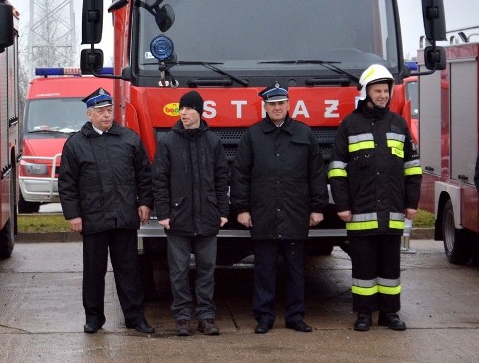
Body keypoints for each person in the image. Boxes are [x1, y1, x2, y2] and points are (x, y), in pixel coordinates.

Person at [328, 64, 421, 331]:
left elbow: (412, 168)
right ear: (366, 92)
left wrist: (411, 203)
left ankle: (390, 314)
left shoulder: (399, 123)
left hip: (392, 211)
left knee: (391, 267)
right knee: (363, 268)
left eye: (385, 90)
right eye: (377, 90)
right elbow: (337, 169)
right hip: (360, 212)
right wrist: (342, 205)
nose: (382, 95)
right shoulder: (350, 124)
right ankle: (364, 314)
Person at [231, 83, 328, 334]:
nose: (277, 108)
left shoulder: (304, 134)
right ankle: (264, 317)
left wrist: (318, 207)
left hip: (295, 213)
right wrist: (241, 208)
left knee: (296, 270)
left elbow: (317, 174)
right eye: (272, 104)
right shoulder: (252, 135)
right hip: (263, 213)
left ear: (288, 105)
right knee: (264, 270)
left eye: (281, 103)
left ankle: (295, 316)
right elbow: (240, 174)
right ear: (265, 106)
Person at [59, 87, 155, 334]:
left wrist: (145, 202)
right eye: (100, 111)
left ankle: (135, 317)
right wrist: (73, 214)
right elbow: (67, 182)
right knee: (93, 272)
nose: (106, 115)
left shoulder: (129, 139)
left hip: (124, 216)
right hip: (93, 218)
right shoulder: (76, 144)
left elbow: (144, 174)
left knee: (129, 271)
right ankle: (94, 318)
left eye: (109, 110)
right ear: (89, 114)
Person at [153, 90, 230, 336]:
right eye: (181, 109)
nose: (183, 113)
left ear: (199, 112)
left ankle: (206, 317)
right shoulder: (167, 141)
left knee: (207, 270)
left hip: (208, 216)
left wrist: (223, 211)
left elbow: (221, 178)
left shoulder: (213, 142)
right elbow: (160, 181)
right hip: (177, 218)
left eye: (188, 109)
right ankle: (183, 318)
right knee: (178, 271)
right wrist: (163, 213)